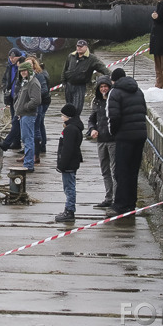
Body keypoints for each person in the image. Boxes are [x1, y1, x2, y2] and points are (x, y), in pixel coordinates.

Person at [105, 68, 147, 217]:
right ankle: (131, 203)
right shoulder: (138, 90)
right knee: (133, 171)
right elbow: (144, 111)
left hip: (124, 137)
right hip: (140, 135)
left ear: (113, 80)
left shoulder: (115, 92)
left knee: (121, 171)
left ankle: (121, 205)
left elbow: (113, 117)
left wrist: (114, 133)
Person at [87, 76, 116, 209]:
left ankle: (116, 198)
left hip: (112, 141)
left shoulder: (113, 101)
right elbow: (92, 119)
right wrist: (92, 129)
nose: (103, 89)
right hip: (101, 141)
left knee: (114, 170)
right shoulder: (97, 102)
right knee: (105, 171)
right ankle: (108, 197)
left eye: (106, 86)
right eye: (101, 87)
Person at [61, 39, 110, 116]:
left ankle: (75, 122)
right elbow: (65, 69)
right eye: (78, 46)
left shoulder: (91, 58)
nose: (79, 48)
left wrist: (110, 76)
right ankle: (68, 124)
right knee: (68, 108)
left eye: (81, 46)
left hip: (80, 86)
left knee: (77, 108)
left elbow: (102, 67)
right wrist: (63, 81)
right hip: (69, 85)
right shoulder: (71, 56)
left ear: (86, 47)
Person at [54, 103, 83, 223]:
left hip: (69, 164)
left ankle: (69, 210)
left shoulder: (70, 130)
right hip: (72, 162)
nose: (61, 117)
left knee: (69, 188)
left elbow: (67, 149)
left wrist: (62, 165)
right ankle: (68, 209)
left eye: (63, 115)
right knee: (69, 187)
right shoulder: (74, 127)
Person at [13, 61, 41, 172]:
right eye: (21, 71)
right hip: (23, 115)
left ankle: (29, 165)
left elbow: (36, 100)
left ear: (29, 71)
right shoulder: (25, 81)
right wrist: (18, 109)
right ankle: (28, 162)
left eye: (25, 71)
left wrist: (24, 107)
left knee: (28, 139)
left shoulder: (33, 83)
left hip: (28, 115)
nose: (23, 73)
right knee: (25, 139)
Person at [0, 49, 25, 151]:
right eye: (10, 57)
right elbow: (5, 79)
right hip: (12, 98)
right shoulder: (9, 67)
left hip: (19, 99)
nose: (11, 59)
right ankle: (16, 143)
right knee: (14, 121)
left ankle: (7, 143)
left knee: (16, 121)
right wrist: (5, 88)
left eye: (13, 57)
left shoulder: (21, 67)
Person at [26, 56, 50, 162]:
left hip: (37, 105)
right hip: (26, 106)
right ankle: (28, 152)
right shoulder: (24, 76)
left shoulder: (39, 76)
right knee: (27, 131)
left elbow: (45, 90)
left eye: (30, 65)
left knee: (36, 128)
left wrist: (34, 97)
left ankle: (36, 154)